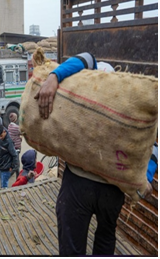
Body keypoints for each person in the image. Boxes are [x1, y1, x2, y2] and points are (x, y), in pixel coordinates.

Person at [34, 52, 156, 256]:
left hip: (79, 184)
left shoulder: (87, 90)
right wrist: (148, 175)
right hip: (113, 190)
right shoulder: (127, 105)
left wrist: (54, 76)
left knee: (72, 243)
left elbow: (85, 58)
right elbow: (150, 143)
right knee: (106, 238)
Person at [0, 124, 17, 189]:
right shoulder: (2, 139)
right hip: (2, 166)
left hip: (6, 168)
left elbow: (14, 155)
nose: (0, 138)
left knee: (4, 187)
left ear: (4, 131)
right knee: (3, 185)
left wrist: (12, 167)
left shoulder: (9, 142)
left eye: (1, 136)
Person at [8, 113, 22, 179]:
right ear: (15, 119)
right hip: (16, 148)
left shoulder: (9, 126)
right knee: (16, 164)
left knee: (16, 163)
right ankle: (9, 176)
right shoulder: (16, 127)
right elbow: (22, 132)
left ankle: (18, 176)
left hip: (12, 147)